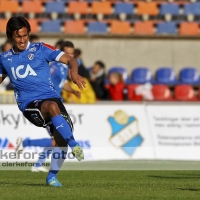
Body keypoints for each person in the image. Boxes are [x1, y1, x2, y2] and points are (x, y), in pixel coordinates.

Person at [0, 16, 86, 186]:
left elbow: (71, 59)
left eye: (25, 35)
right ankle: (74, 143)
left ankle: (51, 177)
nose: (22, 40)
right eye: (18, 36)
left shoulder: (41, 48)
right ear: (11, 36)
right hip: (29, 104)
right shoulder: (4, 59)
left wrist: (74, 73)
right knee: (53, 108)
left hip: (52, 97)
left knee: (61, 141)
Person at [18, 41, 81, 173]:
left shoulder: (64, 68)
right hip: (46, 104)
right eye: (67, 53)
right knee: (56, 140)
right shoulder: (57, 67)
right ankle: (27, 144)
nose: (69, 55)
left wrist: (73, 91)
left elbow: (62, 83)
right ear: (62, 52)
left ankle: (39, 163)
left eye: (71, 53)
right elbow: (46, 79)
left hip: (56, 104)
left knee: (57, 140)